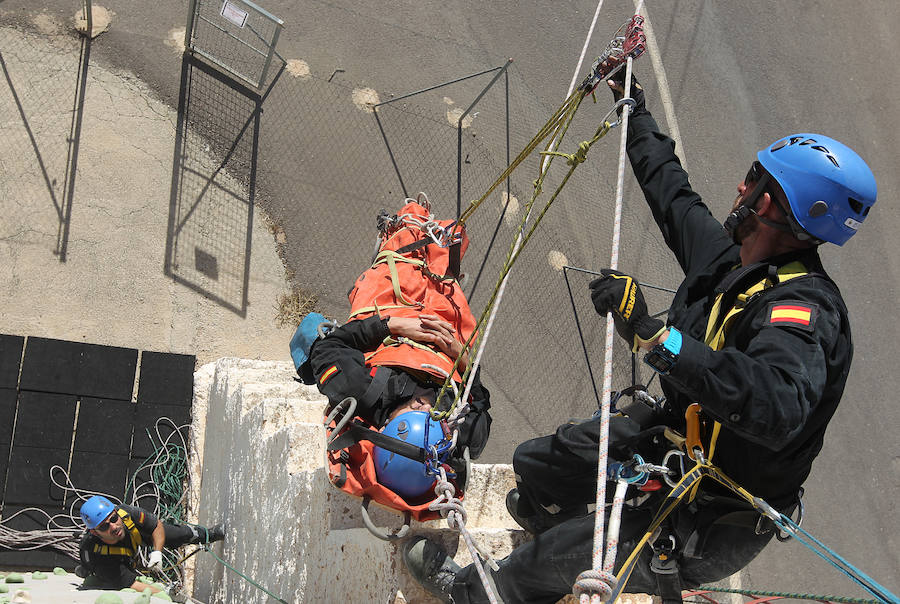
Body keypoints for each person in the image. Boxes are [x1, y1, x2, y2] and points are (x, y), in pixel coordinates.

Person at [402, 71, 876, 603]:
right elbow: (672, 195)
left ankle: (478, 590)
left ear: (768, 203)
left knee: (553, 561)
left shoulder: (802, 310)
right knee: (539, 463)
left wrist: (658, 339)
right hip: (676, 447)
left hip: (711, 513)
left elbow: (776, 402)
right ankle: (549, 528)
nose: (741, 187)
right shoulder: (733, 264)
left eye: (753, 178)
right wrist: (635, 107)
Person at [294, 197, 492, 499]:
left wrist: (392, 325)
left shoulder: (360, 391)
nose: (425, 403)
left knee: (401, 253)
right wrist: (460, 357)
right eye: (431, 414)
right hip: (444, 334)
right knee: (446, 265)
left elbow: (330, 344)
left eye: (416, 409)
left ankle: (408, 220)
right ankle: (438, 235)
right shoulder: (458, 429)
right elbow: (479, 399)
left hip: (390, 313)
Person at [77, 495, 226, 592]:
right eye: (104, 526)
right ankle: (83, 570)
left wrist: (157, 552)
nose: (113, 527)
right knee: (115, 581)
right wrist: (165, 592)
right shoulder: (99, 557)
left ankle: (209, 534)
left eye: (114, 519)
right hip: (113, 560)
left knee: (176, 534)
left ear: (116, 512)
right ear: (95, 532)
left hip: (131, 541)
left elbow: (156, 525)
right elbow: (132, 585)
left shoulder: (126, 513)